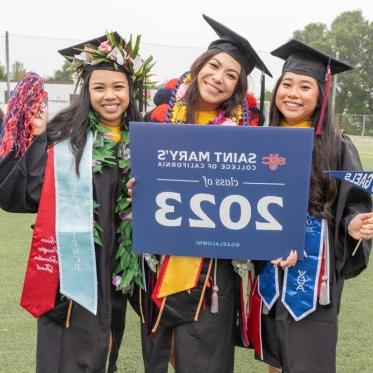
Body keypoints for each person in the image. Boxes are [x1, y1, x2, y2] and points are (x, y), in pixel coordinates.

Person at [127, 14, 275, 373]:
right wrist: (133, 190)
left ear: (238, 88)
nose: (218, 79)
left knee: (205, 357)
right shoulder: (159, 119)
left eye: (231, 76)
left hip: (213, 271)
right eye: (214, 66)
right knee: (161, 353)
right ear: (199, 66)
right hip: (159, 261)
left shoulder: (246, 134)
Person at [0, 32, 153, 373]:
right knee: (68, 355)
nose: (109, 96)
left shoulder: (146, 140)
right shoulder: (65, 136)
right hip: (73, 269)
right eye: (99, 88)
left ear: (131, 90)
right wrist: (36, 139)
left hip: (119, 268)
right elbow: (22, 196)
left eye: (118, 87)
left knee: (106, 348)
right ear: (87, 91)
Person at [247, 39, 373, 373]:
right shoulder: (260, 139)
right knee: (276, 355)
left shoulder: (337, 145)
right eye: (286, 84)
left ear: (321, 95)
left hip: (315, 277)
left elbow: (355, 200)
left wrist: (354, 222)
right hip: (271, 267)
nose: (293, 93)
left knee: (308, 358)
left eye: (305, 86)